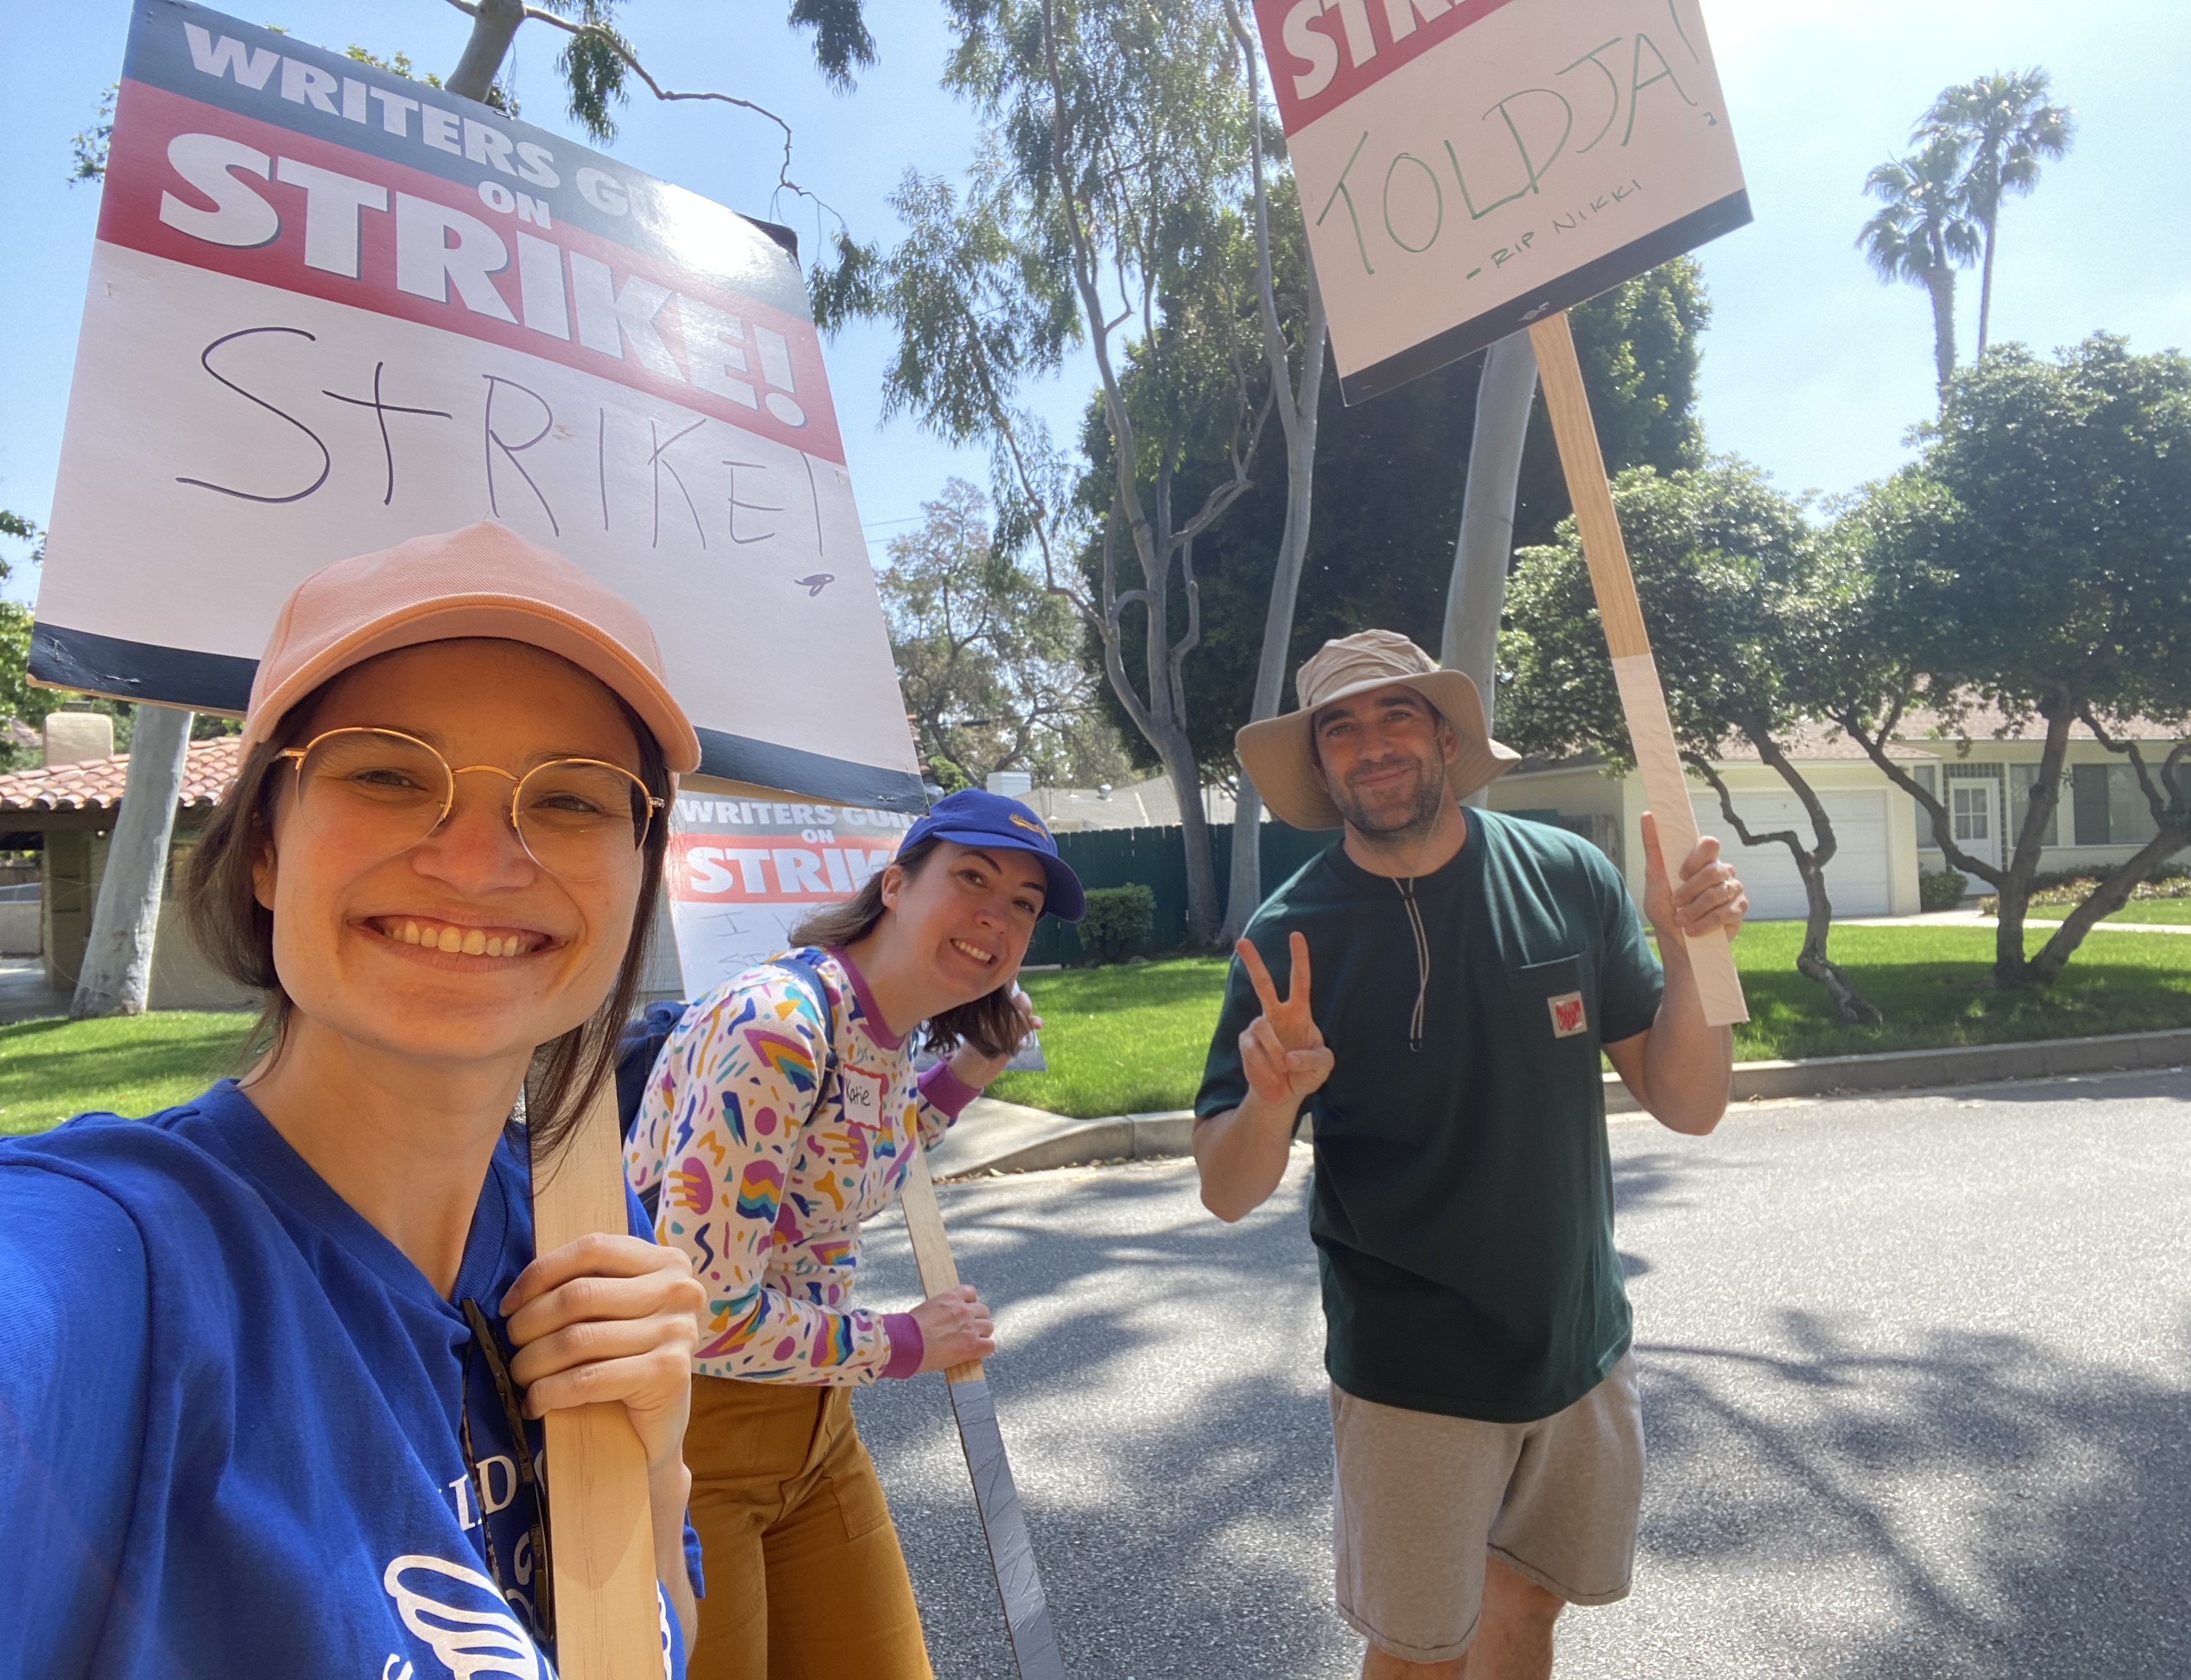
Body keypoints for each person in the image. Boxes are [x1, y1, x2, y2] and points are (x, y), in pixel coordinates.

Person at [0, 523, 709, 1677]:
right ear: (266, 847)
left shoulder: (578, 1232)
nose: (480, 861)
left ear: (638, 875)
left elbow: (663, 1631)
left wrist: (660, 1463)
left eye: (575, 800)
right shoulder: (121, 1270)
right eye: (388, 773)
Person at [1192, 630, 1747, 1680]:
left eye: (1397, 714)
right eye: (1341, 729)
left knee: (1529, 1609)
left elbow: (1689, 1102)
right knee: (1416, 1656)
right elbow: (1227, 1188)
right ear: (1319, 768)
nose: (1373, 745)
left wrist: (1685, 952)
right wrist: (1271, 1102)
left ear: (1447, 735)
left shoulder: (1565, 876)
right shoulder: (1290, 934)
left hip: (1577, 1346)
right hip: (1412, 1375)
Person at [625, 786, 1086, 1680]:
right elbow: (705, 1314)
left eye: (1022, 907)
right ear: (895, 885)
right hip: (690, 1444)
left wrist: (967, 1074)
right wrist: (908, 1340)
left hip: (817, 1426)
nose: (995, 918)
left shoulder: (879, 1031)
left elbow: (855, 1150)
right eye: (973, 879)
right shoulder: (780, 1026)